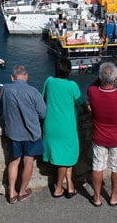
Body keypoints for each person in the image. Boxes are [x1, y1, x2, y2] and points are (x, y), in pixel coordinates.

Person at [86, 61, 117, 207]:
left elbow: (91, 86)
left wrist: (102, 77)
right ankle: (114, 197)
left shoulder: (93, 93)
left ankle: (96, 198)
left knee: (97, 167)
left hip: (99, 138)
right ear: (114, 79)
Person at [0, 64, 46, 204]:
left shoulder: (5, 89)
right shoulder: (33, 91)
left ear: (12, 77)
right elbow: (43, 113)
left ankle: (11, 193)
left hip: (13, 133)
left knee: (14, 161)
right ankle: (22, 192)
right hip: (31, 134)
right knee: (28, 161)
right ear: (26, 77)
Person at [41, 57, 83, 199]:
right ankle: (58, 188)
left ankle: (70, 187)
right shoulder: (72, 86)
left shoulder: (49, 81)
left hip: (51, 126)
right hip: (66, 127)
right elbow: (82, 104)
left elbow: (43, 99)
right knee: (66, 157)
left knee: (66, 157)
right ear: (69, 71)